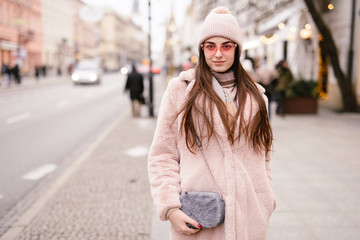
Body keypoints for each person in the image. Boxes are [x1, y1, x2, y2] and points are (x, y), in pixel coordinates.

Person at [148, 6, 276, 240]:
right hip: (199, 218)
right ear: (202, 49)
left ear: (237, 49)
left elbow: (263, 155)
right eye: (210, 46)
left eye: (226, 46)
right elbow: (162, 155)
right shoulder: (181, 91)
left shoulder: (257, 98)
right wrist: (171, 208)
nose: (218, 53)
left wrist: (265, 199)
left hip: (249, 217)